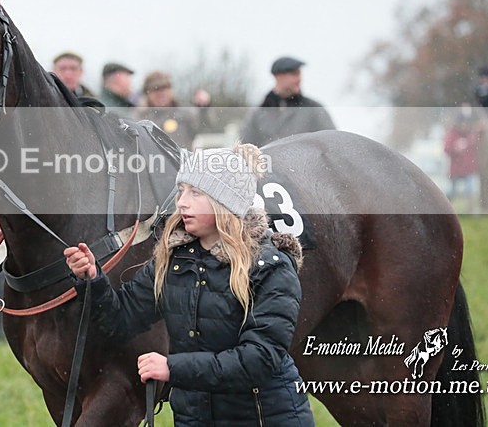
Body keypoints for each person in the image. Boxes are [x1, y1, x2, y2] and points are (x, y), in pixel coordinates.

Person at [64, 144, 314, 426]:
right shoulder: (172, 259)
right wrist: (92, 279)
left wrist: (172, 367)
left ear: (225, 201)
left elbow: (259, 360)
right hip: (194, 418)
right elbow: (120, 321)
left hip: (264, 418)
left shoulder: (270, 267)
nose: (182, 202)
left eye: (195, 193)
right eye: (181, 190)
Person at [241, 56, 335, 147]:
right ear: (278, 76)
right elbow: (245, 149)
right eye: (294, 74)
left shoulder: (314, 109)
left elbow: (333, 144)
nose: (299, 79)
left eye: (299, 74)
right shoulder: (258, 113)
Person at [135, 71, 202, 150]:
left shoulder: (185, 114)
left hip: (183, 161)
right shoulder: (139, 120)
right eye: (156, 89)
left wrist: (204, 108)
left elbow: (205, 127)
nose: (161, 94)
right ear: (147, 94)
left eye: (164, 88)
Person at [443, 109, 481, 210]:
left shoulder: (472, 134)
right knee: (451, 192)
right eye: (462, 122)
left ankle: (471, 210)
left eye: (466, 122)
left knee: (470, 191)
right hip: (455, 170)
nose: (464, 125)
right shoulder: (451, 134)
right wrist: (456, 148)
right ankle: (446, 210)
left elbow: (478, 147)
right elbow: (446, 149)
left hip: (469, 169)